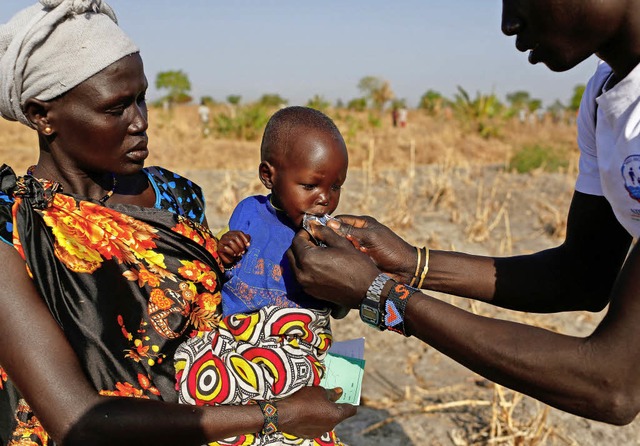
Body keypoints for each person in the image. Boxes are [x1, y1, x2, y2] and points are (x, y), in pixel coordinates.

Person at [0, 2, 355, 445]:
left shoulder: (175, 194)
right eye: (116, 109)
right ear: (41, 115)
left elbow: (216, 314)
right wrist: (274, 415)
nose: (141, 123)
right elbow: (78, 421)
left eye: (142, 98)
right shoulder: (11, 231)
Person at [287, 0, 640, 427]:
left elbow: (612, 383)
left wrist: (378, 294)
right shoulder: (606, 98)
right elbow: (581, 276)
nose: (509, 23)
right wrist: (410, 264)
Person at [175, 106, 350, 446]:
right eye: (310, 185)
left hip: (293, 341)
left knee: (302, 413)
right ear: (269, 176)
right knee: (196, 377)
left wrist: (337, 280)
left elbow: (342, 306)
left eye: (336, 187)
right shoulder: (248, 212)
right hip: (233, 334)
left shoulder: (330, 238)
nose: (325, 199)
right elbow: (221, 272)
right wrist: (224, 250)